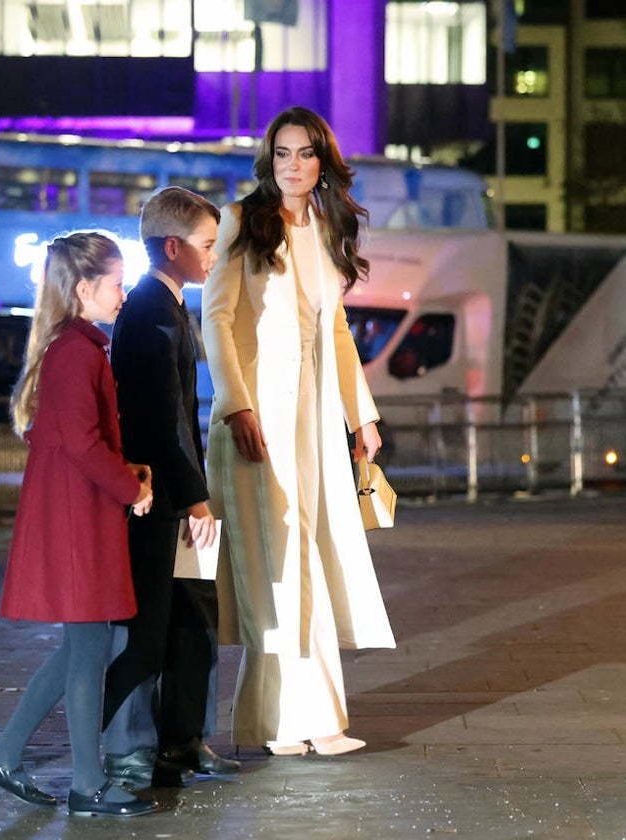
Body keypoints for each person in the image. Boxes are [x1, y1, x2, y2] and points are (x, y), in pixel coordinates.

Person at [201, 106, 396, 756]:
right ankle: (311, 720)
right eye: (283, 153)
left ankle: (291, 723)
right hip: (262, 415)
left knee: (305, 551)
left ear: (322, 161)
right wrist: (236, 407)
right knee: (284, 559)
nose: (293, 165)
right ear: (269, 159)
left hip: (312, 412)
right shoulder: (242, 220)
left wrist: (360, 413)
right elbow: (218, 318)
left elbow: (335, 328)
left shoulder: (324, 224)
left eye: (306, 153)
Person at [0, 231, 157, 818]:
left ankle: (13, 757)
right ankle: (85, 783)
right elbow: (82, 441)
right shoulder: (79, 350)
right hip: (83, 516)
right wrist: (131, 488)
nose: (123, 294)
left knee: (86, 647)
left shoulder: (68, 346)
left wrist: (123, 475)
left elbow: (66, 435)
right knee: (88, 647)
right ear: (84, 288)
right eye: (115, 283)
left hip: (77, 510)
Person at [101, 186, 240, 787]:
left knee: (190, 615)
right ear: (173, 246)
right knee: (153, 619)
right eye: (208, 245)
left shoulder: (161, 306)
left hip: (169, 493)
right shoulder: (154, 311)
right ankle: (141, 747)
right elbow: (164, 419)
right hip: (159, 498)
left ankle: (180, 739)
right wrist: (196, 495)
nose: (215, 256)